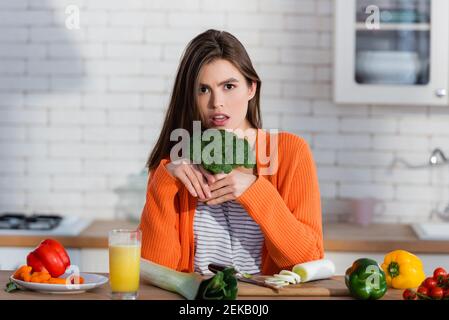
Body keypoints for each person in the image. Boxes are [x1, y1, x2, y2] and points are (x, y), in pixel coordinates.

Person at [139, 29, 323, 275]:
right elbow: (155, 274)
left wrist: (256, 191)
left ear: (251, 88)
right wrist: (164, 181)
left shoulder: (291, 153)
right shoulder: (174, 166)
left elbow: (308, 260)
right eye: (203, 89)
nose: (217, 102)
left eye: (228, 86)